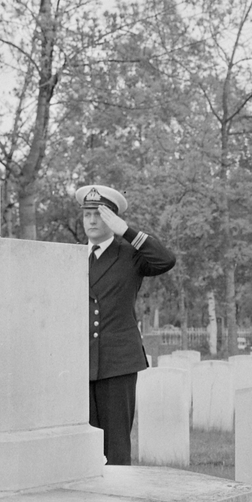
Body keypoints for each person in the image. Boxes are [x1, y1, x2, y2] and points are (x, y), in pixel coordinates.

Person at [76, 183, 176, 466]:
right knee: (83, 449)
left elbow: (166, 260)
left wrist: (127, 232)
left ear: (113, 219)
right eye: (87, 214)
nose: (92, 221)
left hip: (117, 362)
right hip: (81, 363)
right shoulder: (71, 256)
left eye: (100, 214)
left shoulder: (129, 253)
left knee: (116, 448)